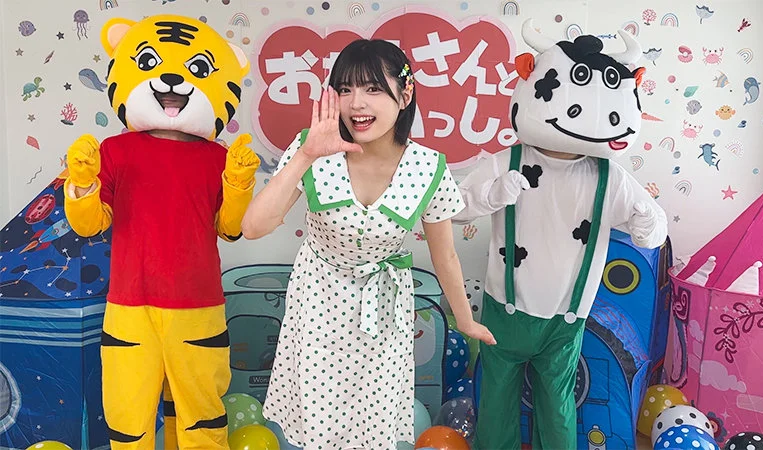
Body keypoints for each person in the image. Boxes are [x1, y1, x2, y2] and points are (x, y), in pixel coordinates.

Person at [242, 39, 496, 450]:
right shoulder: (313, 148)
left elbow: (445, 254)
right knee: (320, 423)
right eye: (345, 89)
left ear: (405, 93)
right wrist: (306, 155)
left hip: (385, 311)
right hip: (318, 304)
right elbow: (254, 227)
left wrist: (465, 321)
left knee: (373, 424)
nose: (356, 103)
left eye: (373, 88)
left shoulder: (427, 166)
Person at [452, 21, 668, 450]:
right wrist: (493, 194)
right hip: (504, 308)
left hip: (566, 319)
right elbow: (452, 209)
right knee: (496, 401)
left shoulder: (608, 177)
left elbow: (653, 236)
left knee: (558, 405)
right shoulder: (505, 162)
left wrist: (647, 218)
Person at [63, 15, 258, 449]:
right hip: (131, 305)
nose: (172, 80)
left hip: (198, 305)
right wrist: (82, 184)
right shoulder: (115, 151)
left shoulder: (217, 157)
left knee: (200, 415)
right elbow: (89, 224)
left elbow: (230, 229)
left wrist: (238, 184)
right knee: (128, 415)